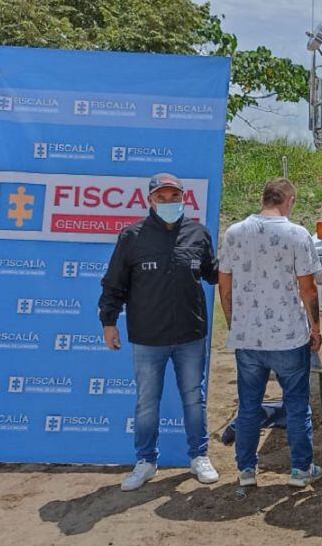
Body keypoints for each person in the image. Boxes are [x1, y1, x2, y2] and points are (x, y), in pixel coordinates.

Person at [99, 173, 219, 492]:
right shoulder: (132, 237)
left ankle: (199, 456)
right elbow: (114, 284)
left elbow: (215, 273)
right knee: (147, 402)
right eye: (161, 197)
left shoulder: (199, 234)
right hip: (147, 337)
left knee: (194, 399)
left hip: (191, 335)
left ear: (184, 198)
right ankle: (145, 461)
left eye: (174, 197)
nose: (168, 202)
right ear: (149, 200)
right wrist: (108, 322)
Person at [218, 178, 322, 488]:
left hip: (248, 336)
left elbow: (225, 284)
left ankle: (246, 470)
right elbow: (307, 288)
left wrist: (233, 320)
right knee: (297, 404)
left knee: (248, 405)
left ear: (263, 199)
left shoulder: (234, 233)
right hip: (289, 336)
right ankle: (301, 469)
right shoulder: (297, 234)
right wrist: (315, 326)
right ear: (288, 200)